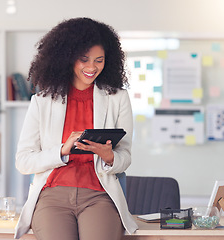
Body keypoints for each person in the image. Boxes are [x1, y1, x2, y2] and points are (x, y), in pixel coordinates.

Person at [14, 17, 138, 240]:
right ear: (67, 58)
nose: (92, 67)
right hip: (53, 197)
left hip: (99, 195)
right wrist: (62, 150)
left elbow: (125, 157)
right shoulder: (42, 101)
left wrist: (110, 157)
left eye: (99, 60)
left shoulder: (118, 98)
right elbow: (23, 161)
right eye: (84, 59)